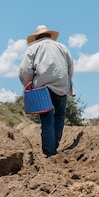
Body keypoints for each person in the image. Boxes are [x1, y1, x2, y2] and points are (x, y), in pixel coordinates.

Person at [19, 25, 74, 157]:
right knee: (60, 115)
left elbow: (25, 71)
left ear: (37, 37)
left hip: (43, 88)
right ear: (49, 35)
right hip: (62, 86)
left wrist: (28, 85)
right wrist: (67, 83)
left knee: (47, 118)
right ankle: (54, 145)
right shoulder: (62, 47)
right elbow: (70, 68)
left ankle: (49, 152)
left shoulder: (33, 48)